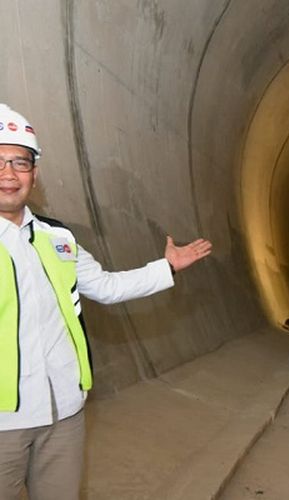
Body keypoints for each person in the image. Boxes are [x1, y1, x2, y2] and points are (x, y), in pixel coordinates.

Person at [0, 103, 212, 499]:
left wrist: (166, 268)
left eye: (19, 162)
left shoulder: (58, 238)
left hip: (64, 412)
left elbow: (107, 287)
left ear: (35, 172)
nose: (9, 174)